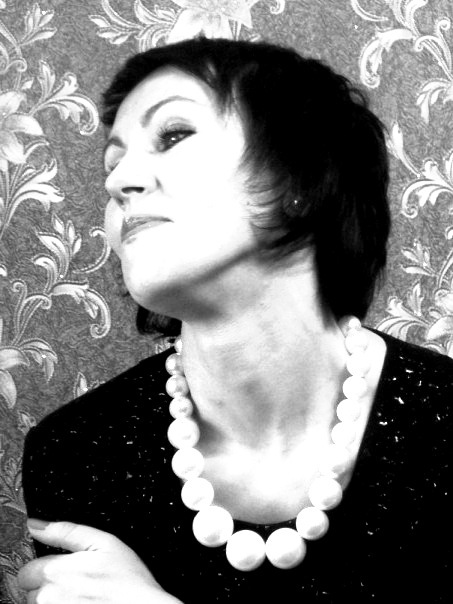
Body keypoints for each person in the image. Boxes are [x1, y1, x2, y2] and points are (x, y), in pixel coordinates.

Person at [18, 37, 451, 603]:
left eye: (173, 134)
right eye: (113, 160)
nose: (118, 181)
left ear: (300, 178)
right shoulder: (76, 452)